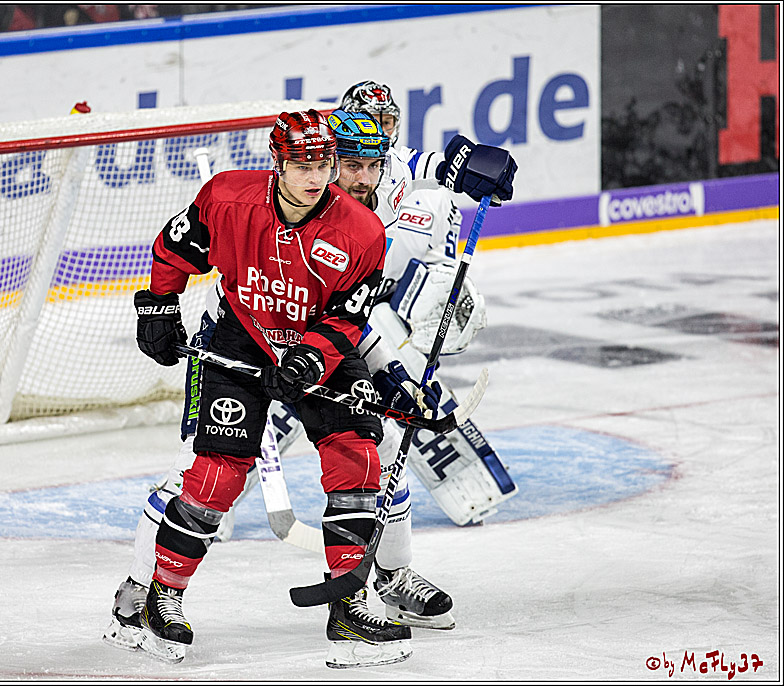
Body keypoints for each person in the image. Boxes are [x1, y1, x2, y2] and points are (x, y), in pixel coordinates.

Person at [111, 104, 517, 667]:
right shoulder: (228, 197)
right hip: (239, 338)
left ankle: (349, 605)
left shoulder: (361, 228)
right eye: (303, 163)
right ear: (277, 161)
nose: (316, 175)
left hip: (318, 346)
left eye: (324, 162)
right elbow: (174, 249)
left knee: (357, 452)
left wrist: (314, 358)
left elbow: (349, 317)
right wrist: (156, 307)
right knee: (217, 474)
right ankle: (156, 597)